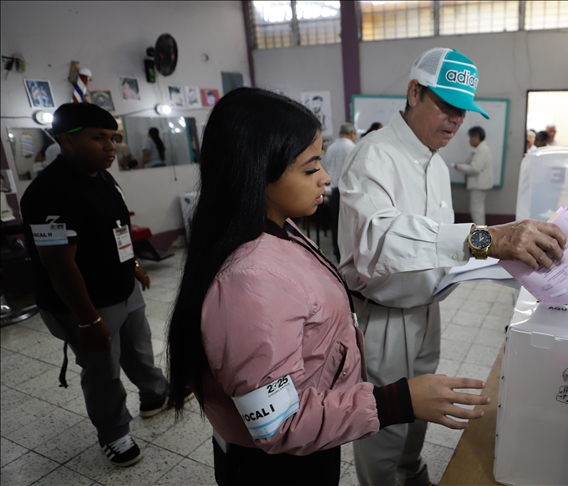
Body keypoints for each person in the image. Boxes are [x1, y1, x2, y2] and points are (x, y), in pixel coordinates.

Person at [164, 88, 490, 485]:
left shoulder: (280, 229)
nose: (327, 176)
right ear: (256, 172)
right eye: (309, 167)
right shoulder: (249, 279)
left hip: (312, 439)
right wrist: (397, 402)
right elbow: (279, 426)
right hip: (278, 466)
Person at [338, 47, 567, 486]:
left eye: (462, 110)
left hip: (428, 311)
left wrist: (506, 266)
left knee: (421, 414)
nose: (456, 120)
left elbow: (437, 248)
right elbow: (378, 244)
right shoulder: (374, 158)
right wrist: (486, 238)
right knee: (385, 428)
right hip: (384, 319)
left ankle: (412, 472)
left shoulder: (437, 165)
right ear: (413, 92)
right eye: (446, 105)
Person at [20, 103, 174, 468]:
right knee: (102, 367)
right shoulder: (49, 193)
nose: (111, 147)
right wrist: (88, 320)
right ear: (66, 142)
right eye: (98, 138)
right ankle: (114, 432)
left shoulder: (103, 177)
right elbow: (59, 265)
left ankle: (155, 395)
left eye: (114, 138)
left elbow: (116, 229)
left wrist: (134, 265)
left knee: (138, 348)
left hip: (122, 286)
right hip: (86, 301)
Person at [321, 123, 357, 262]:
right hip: (348, 192)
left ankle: (338, 254)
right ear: (352, 133)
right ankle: (349, 258)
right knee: (349, 228)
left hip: (335, 192)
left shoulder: (331, 148)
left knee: (337, 226)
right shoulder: (352, 148)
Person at [452, 126, 494, 225]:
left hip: (479, 185)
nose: (469, 141)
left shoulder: (483, 150)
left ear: (477, 137)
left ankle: (481, 235)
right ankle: (482, 233)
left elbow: (475, 168)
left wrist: (459, 166)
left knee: (476, 212)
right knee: (477, 211)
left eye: (470, 138)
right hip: (479, 184)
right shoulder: (480, 149)